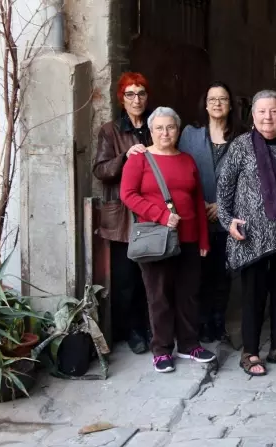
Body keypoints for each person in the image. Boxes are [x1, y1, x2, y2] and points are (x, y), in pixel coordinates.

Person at [218, 90, 276, 376]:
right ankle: (250, 351)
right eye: (262, 111)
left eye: (274, 111)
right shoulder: (241, 146)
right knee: (253, 296)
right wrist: (228, 221)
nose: (268, 117)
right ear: (253, 115)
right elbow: (224, 190)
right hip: (251, 237)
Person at [120, 107, 217, 373]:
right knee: (159, 296)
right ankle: (161, 350)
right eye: (159, 128)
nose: (165, 132)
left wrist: (203, 240)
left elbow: (197, 201)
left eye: (170, 127)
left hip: (188, 239)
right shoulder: (139, 160)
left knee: (188, 294)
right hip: (157, 238)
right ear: (151, 131)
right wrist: (161, 215)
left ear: (178, 129)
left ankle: (189, 344)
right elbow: (128, 195)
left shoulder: (187, 160)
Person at [93, 72, 152, 355]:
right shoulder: (110, 130)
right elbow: (100, 170)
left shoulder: (155, 126)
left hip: (151, 213)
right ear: (122, 99)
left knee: (150, 275)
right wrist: (124, 158)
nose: (136, 99)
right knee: (125, 278)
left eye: (141, 93)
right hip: (122, 217)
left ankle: (147, 327)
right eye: (130, 94)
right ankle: (129, 331)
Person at [179, 81, 242, 344]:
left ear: (230, 105)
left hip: (227, 218)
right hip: (197, 215)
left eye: (223, 99)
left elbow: (247, 178)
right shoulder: (190, 134)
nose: (217, 103)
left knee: (223, 274)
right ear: (205, 104)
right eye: (212, 99)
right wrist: (199, 204)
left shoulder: (241, 137)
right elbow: (179, 169)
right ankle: (201, 322)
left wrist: (222, 206)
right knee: (197, 274)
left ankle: (219, 322)